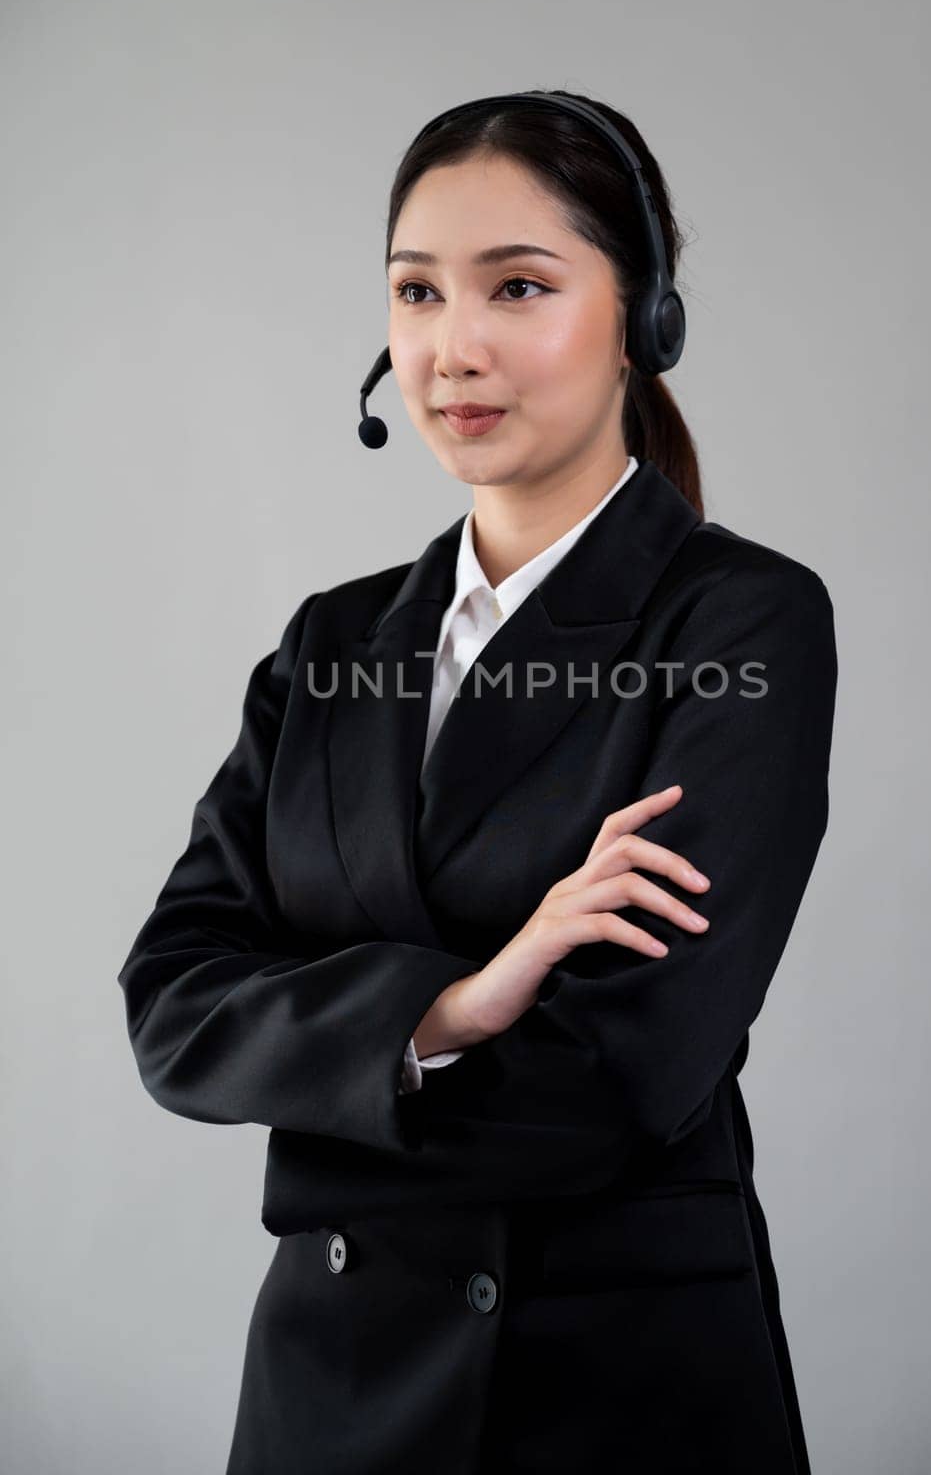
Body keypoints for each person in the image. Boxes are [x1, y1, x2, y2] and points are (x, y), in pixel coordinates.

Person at [117, 88, 838, 1475]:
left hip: (607, 1395)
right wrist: (457, 1004)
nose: (456, 347)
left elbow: (628, 1076)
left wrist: (319, 1096)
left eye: (519, 285)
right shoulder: (334, 643)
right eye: (416, 291)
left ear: (643, 319)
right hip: (323, 1393)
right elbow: (171, 1001)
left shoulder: (739, 622)